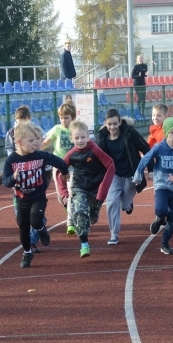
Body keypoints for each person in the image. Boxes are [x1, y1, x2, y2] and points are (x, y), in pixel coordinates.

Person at [2, 122, 70, 267]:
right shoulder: (12, 160)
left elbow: (58, 161)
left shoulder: (39, 155)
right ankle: (27, 252)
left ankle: (41, 228)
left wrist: (64, 172)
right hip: (21, 199)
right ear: (19, 142)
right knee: (23, 226)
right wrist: (14, 178)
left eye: (36, 140)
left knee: (35, 219)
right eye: (31, 141)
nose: (35, 143)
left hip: (37, 196)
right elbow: (6, 181)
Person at [57, 121, 115, 258]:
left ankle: (93, 214)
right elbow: (60, 171)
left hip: (96, 189)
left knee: (92, 218)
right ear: (72, 138)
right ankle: (84, 244)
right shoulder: (71, 154)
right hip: (79, 187)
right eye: (76, 138)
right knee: (79, 212)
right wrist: (64, 193)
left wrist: (103, 190)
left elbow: (111, 165)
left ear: (88, 136)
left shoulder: (95, 150)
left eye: (83, 137)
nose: (80, 140)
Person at [133, 117, 173, 255]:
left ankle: (164, 243)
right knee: (162, 209)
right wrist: (138, 174)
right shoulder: (159, 147)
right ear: (165, 133)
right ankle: (159, 219)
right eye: (172, 133)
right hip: (162, 185)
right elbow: (145, 159)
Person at [97, 109, 150, 245]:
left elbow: (146, 148)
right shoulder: (102, 136)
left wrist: (150, 169)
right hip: (113, 174)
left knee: (124, 205)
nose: (112, 127)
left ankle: (128, 203)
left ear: (120, 122)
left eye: (115, 123)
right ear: (105, 124)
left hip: (131, 174)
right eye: (109, 124)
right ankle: (114, 233)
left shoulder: (129, 133)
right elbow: (98, 157)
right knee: (112, 201)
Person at [41, 103, 76, 234]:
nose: (64, 121)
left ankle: (70, 223)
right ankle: (67, 205)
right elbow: (45, 142)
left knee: (72, 193)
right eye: (61, 118)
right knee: (62, 196)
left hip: (72, 167)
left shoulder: (75, 129)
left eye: (66, 118)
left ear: (72, 117)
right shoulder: (56, 129)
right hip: (57, 165)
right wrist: (35, 151)